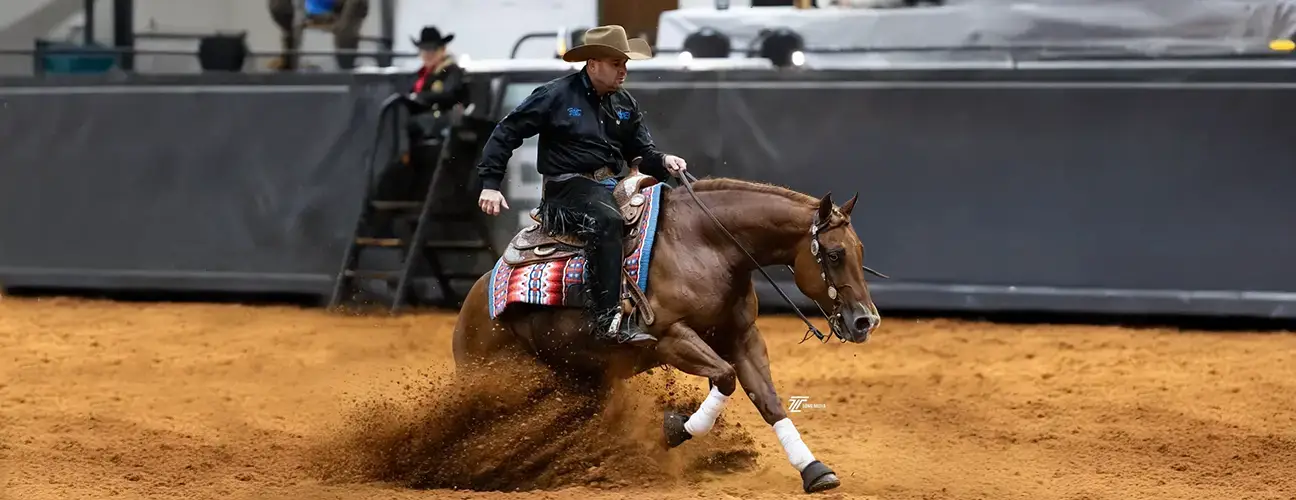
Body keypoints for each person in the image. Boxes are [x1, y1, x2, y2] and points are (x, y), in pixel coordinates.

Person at [475, 25, 689, 345]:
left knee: (665, 216)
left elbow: (642, 153)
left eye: (625, 63)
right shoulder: (555, 95)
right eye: (616, 63)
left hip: (613, 185)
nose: (623, 70)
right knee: (606, 220)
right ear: (592, 65)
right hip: (567, 188)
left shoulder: (624, 103)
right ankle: (606, 319)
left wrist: (665, 160)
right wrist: (490, 183)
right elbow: (507, 132)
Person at [267, 0, 370, 71]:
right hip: (314, 10)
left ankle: (347, 66)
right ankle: (289, 63)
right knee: (280, 6)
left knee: (346, 29)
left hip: (343, 10)